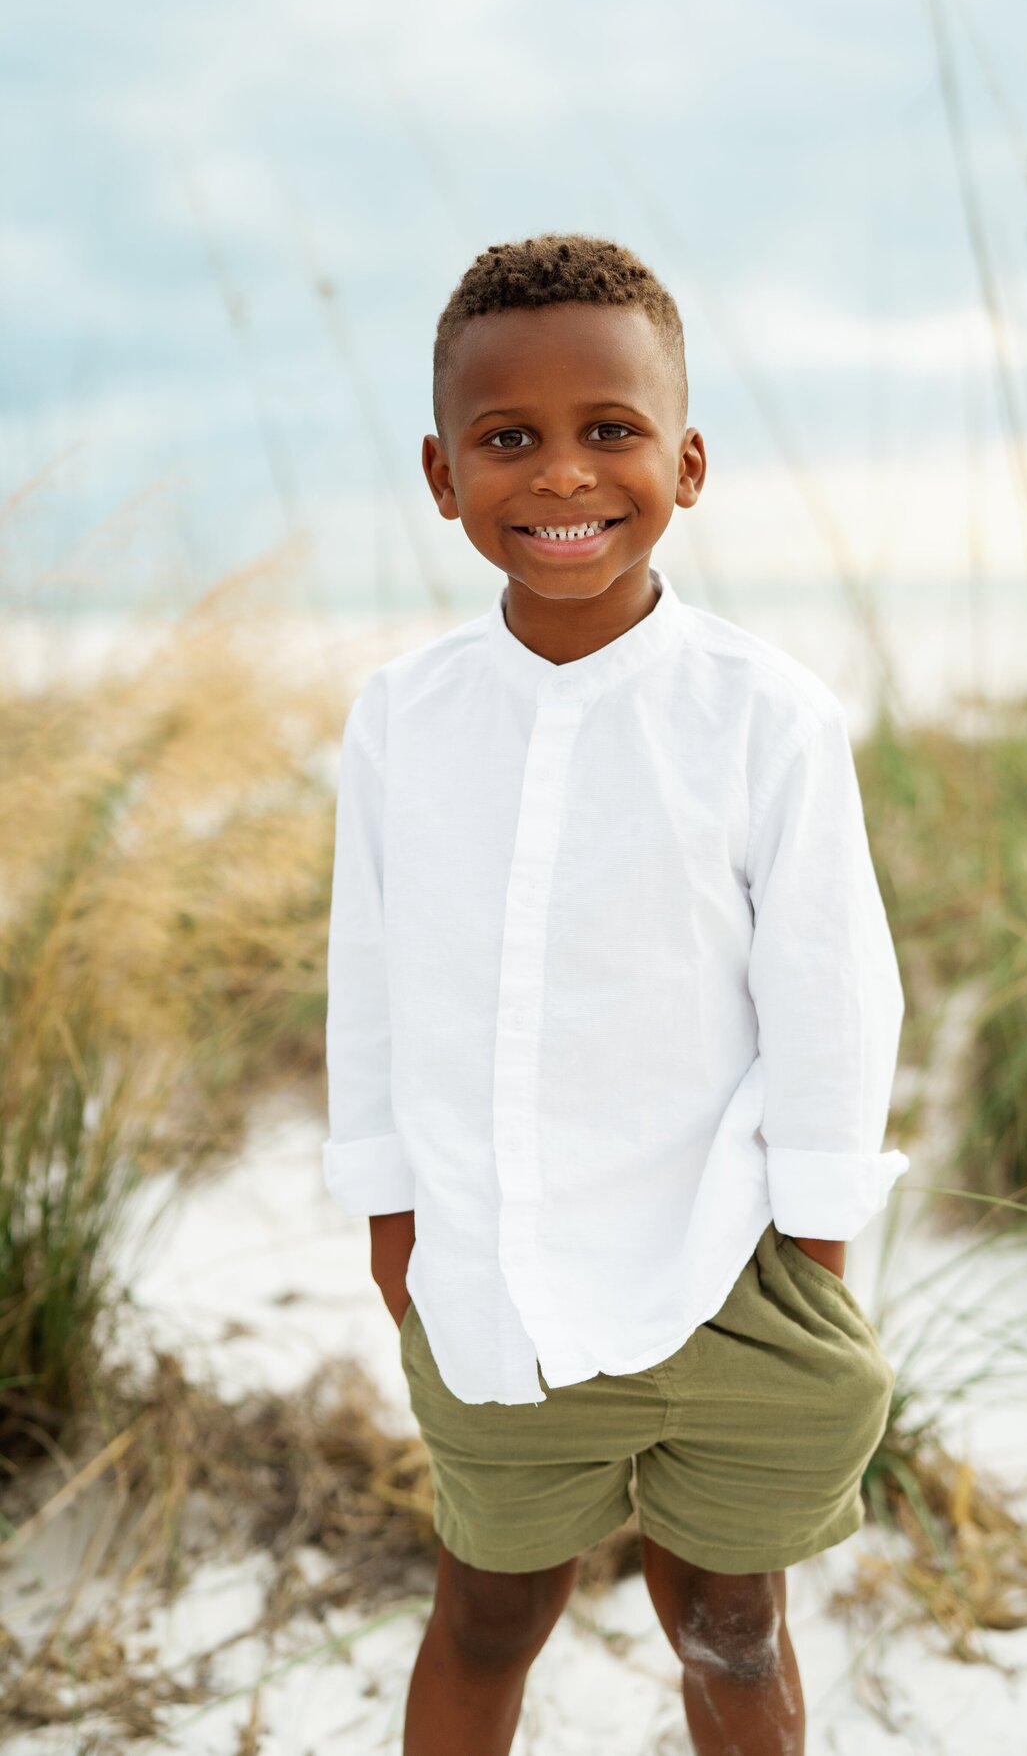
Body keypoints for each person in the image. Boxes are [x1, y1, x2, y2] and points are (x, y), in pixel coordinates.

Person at [323, 232, 909, 1756]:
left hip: (723, 1267)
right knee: (487, 1613)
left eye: (611, 431)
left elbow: (834, 996)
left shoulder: (765, 716)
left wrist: (819, 1243)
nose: (561, 476)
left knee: (729, 1625)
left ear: (689, 462)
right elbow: (369, 980)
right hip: (490, 1281)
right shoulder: (404, 720)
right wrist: (392, 1212)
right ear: (444, 476)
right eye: (507, 440)